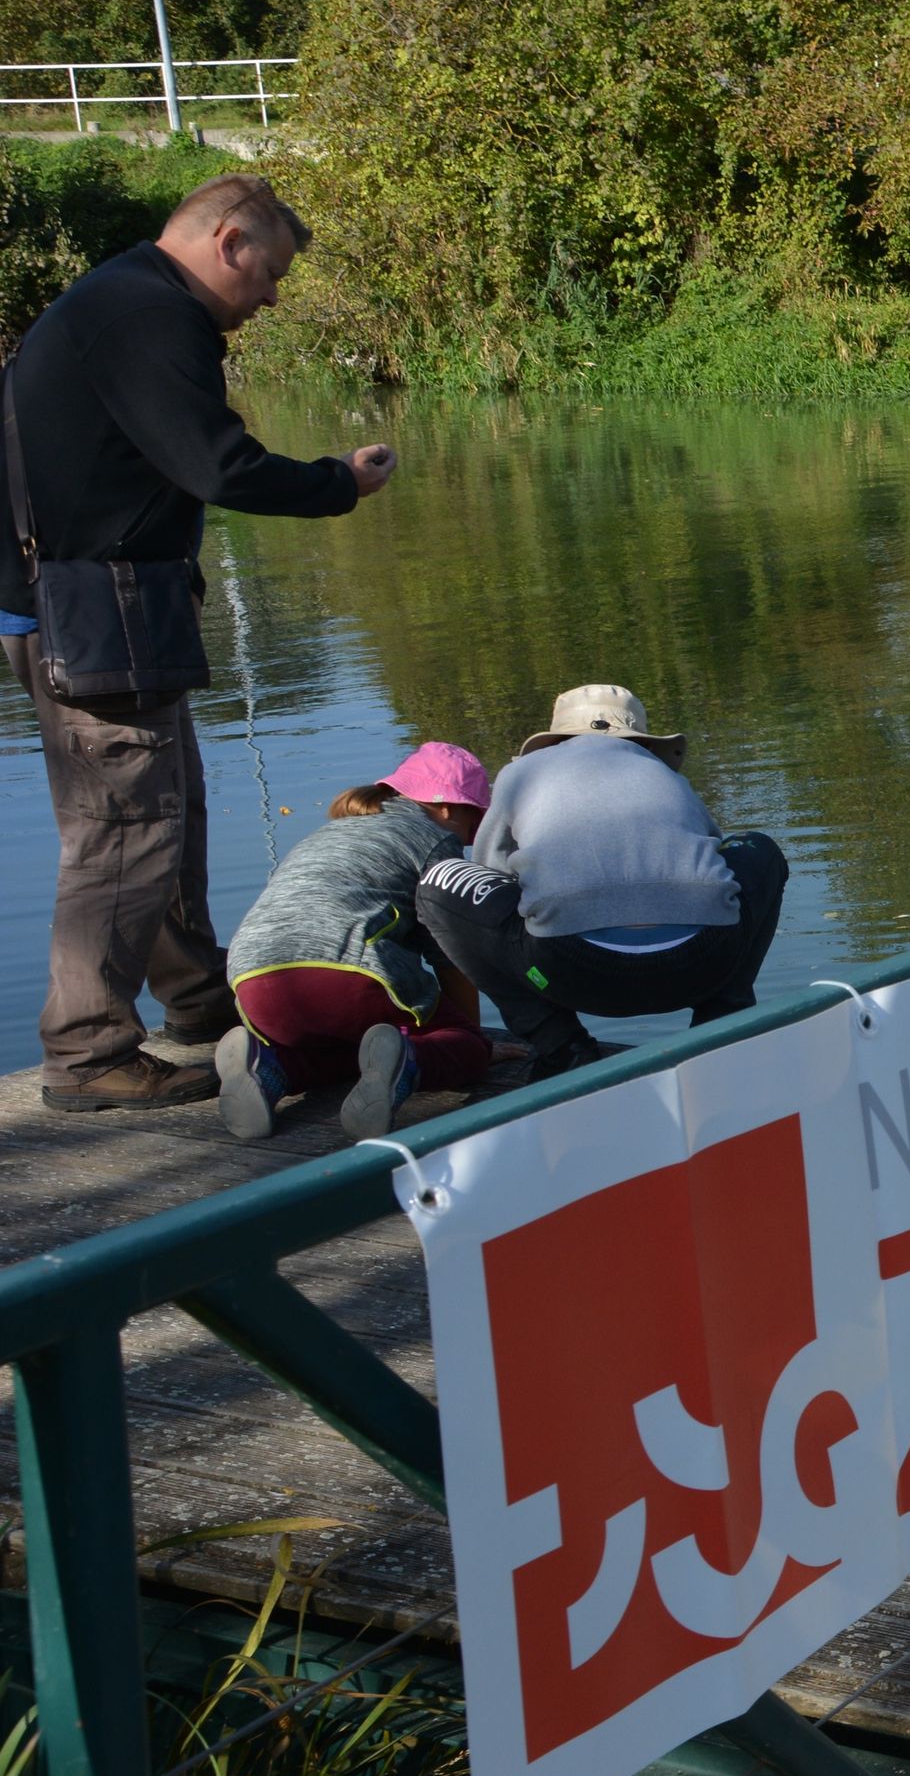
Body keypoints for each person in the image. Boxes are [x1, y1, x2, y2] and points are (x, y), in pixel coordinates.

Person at [2, 173, 397, 1112]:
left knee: (167, 806)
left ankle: (196, 1002)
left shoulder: (118, 298)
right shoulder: (151, 316)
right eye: (271, 273)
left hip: (93, 605)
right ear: (229, 241)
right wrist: (338, 481)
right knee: (123, 826)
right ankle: (90, 1053)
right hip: (92, 613)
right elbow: (215, 463)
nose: (272, 296)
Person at [411, 685, 787, 1079]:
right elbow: (719, 865)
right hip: (707, 960)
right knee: (759, 849)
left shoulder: (520, 773)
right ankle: (723, 1021)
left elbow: (492, 876)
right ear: (640, 740)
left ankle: (559, 1043)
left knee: (439, 882)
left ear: (557, 738)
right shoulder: (663, 773)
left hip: (568, 971)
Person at [214, 742, 500, 1141]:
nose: (471, 838)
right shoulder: (435, 841)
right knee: (458, 1047)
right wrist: (473, 1041)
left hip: (253, 977)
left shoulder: (331, 833)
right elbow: (450, 952)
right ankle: (410, 1060)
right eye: (474, 820)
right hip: (346, 974)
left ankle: (270, 1069)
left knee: (352, 1051)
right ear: (448, 807)